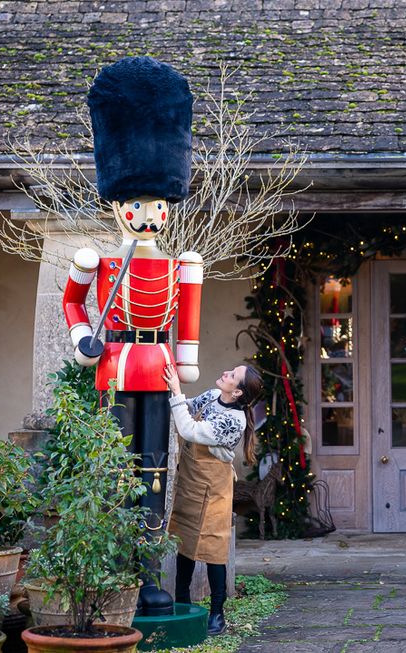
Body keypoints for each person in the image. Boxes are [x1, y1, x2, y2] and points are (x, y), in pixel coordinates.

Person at [62, 56, 201, 616]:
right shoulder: (97, 258)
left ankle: (146, 578)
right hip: (116, 361)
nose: (148, 215)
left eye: (157, 206)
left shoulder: (179, 264)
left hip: (158, 367)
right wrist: (80, 340)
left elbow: (184, 323)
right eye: (138, 205)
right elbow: (73, 304)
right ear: (119, 204)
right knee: (117, 469)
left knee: (154, 471)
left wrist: (185, 359)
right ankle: (116, 574)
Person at [162, 362, 264, 636]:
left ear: (238, 392)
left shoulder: (234, 421)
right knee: (184, 540)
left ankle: (217, 614)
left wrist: (175, 389)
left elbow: (189, 430)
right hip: (191, 481)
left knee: (213, 548)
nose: (225, 373)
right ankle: (182, 604)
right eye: (230, 370)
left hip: (214, 487)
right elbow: (183, 411)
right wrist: (172, 394)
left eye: (232, 376)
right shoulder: (210, 397)